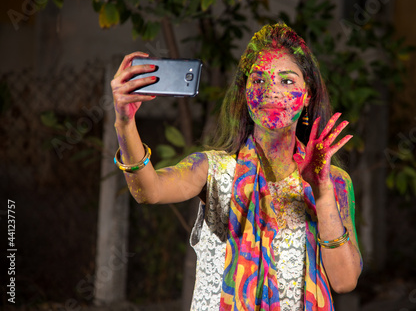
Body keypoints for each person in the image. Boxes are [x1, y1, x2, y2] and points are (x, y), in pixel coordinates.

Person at [111, 23, 362, 310]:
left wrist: (322, 191)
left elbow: (345, 281)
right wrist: (124, 121)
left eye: (287, 81)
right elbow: (149, 191)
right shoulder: (213, 169)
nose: (271, 91)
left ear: (308, 96)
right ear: (245, 92)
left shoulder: (334, 181)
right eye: (258, 80)